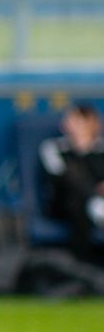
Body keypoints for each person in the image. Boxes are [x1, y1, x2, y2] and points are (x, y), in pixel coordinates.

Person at [38, 102, 104, 263]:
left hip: (98, 202)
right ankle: (81, 266)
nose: (67, 123)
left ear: (89, 122)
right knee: (77, 197)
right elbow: (60, 176)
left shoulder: (101, 150)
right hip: (63, 203)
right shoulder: (52, 147)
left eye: (74, 119)